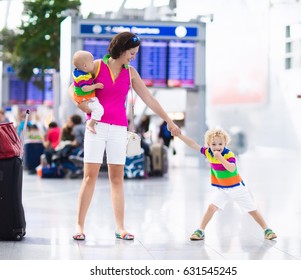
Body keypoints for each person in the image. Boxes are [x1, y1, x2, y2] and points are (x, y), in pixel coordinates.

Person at [68, 32, 180, 241]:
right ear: (120, 49)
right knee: (90, 176)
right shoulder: (96, 66)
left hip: (119, 129)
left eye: (135, 53)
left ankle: (120, 227)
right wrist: (79, 103)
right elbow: (73, 87)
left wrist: (169, 120)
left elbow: (149, 99)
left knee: (117, 178)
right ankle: (79, 225)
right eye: (131, 53)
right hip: (96, 128)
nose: (133, 57)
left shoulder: (130, 73)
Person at [177, 128, 277, 241]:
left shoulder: (229, 154)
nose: (217, 147)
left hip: (238, 188)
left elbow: (231, 168)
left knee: (252, 210)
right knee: (211, 208)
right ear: (208, 144)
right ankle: (201, 230)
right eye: (213, 144)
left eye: (220, 144)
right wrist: (179, 135)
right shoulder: (208, 152)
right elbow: (193, 144)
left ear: (225, 143)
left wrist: (220, 158)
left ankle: (267, 230)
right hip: (222, 190)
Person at [72, 50, 104, 134]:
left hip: (88, 97)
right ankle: (91, 124)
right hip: (85, 98)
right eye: (92, 62)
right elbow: (84, 88)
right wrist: (95, 86)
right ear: (85, 66)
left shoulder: (83, 73)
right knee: (99, 110)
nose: (94, 64)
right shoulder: (81, 76)